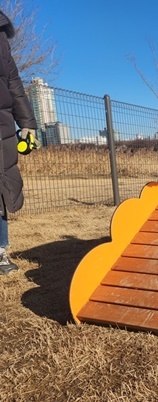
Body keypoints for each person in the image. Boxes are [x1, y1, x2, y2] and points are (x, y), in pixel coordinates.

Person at [0, 10, 38, 274]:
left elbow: (13, 82)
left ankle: (0, 251)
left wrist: (26, 124)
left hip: (1, 124)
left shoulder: (1, 36)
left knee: (1, 186)